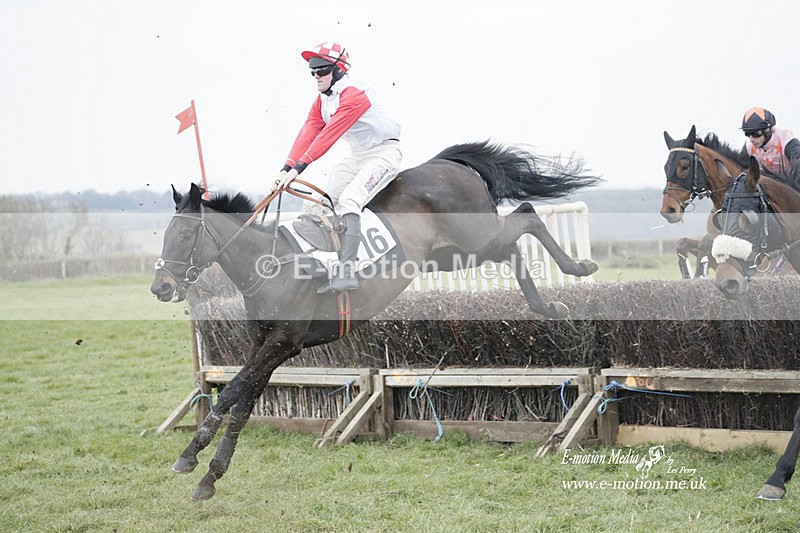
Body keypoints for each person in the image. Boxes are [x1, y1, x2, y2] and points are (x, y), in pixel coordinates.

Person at [271, 42, 402, 293]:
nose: (316, 76)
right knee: (317, 203)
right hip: (357, 156)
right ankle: (320, 263)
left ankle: (348, 272)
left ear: (339, 70)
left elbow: (329, 135)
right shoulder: (322, 101)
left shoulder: (354, 94)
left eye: (321, 70)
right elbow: (309, 131)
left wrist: (298, 169)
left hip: (384, 153)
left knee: (350, 200)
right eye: (312, 71)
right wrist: (284, 170)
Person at [740, 107, 800, 186]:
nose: (751, 139)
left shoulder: (787, 141)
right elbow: (739, 172)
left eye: (755, 133)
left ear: (767, 130)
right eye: (747, 134)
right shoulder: (749, 147)